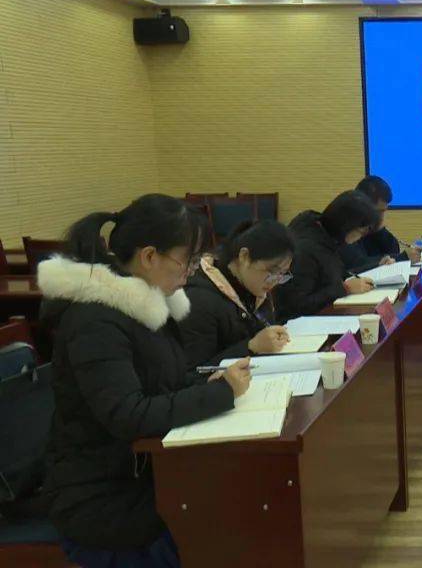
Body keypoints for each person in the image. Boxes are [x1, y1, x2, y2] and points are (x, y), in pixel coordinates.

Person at [37, 194, 252, 567]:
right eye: (187, 262)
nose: (191, 274)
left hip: (140, 471)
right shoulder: (96, 320)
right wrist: (219, 394)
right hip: (100, 494)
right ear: (150, 256)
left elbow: (165, 380)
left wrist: (205, 384)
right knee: (209, 522)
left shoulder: (144, 305)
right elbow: (128, 415)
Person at [180, 220, 296, 368]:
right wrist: (251, 347)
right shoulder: (199, 300)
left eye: (282, 274)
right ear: (244, 256)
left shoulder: (255, 287)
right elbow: (196, 371)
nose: (275, 281)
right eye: (272, 272)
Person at [276, 190, 383, 320]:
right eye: (361, 231)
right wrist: (345, 289)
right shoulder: (306, 250)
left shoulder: (326, 236)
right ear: (346, 225)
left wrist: (351, 281)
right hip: (300, 324)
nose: (360, 237)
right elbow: (297, 306)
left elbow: (333, 274)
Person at [340, 175, 421, 274]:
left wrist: (380, 230)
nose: (381, 217)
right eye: (378, 211)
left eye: (383, 211)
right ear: (362, 205)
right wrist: (402, 258)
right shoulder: (346, 227)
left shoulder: (371, 227)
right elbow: (356, 265)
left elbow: (393, 250)